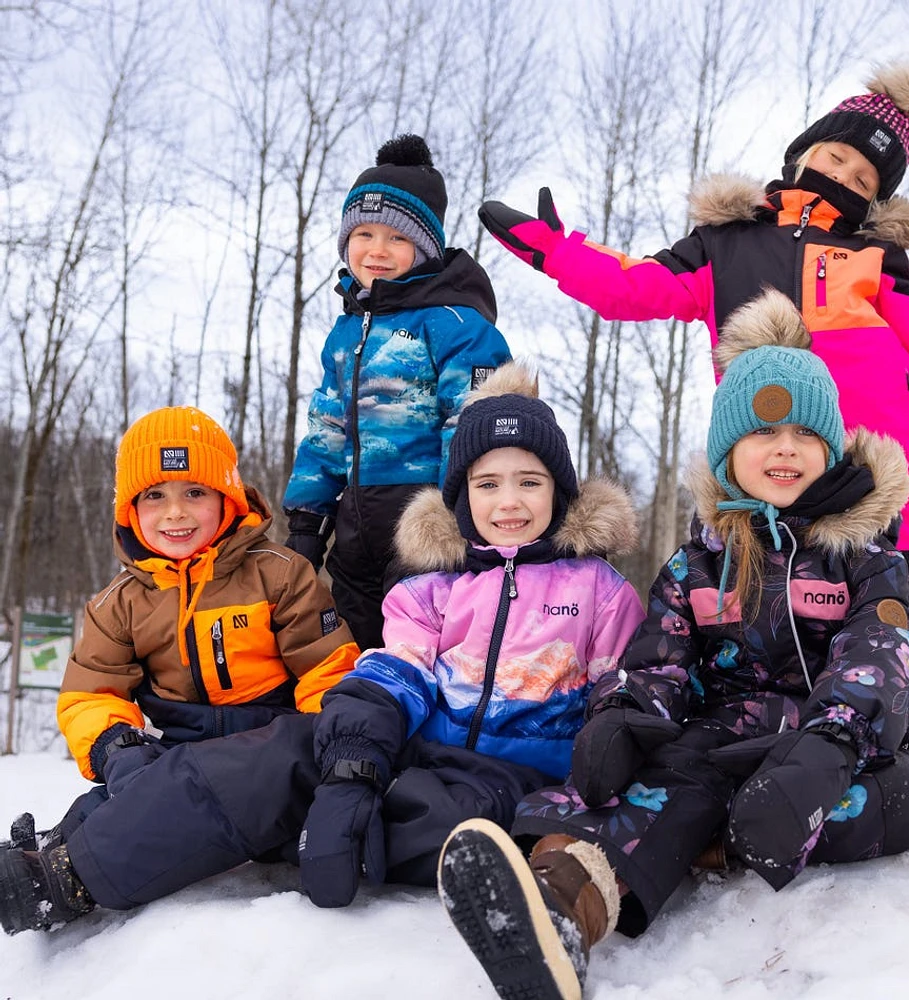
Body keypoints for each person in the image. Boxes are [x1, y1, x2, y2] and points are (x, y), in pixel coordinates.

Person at [0, 363, 645, 934]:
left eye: (529, 482)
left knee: (421, 820)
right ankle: (64, 875)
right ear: (459, 497)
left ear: (560, 492)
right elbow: (391, 677)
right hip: (420, 754)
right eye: (487, 484)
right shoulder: (430, 591)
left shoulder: (601, 593)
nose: (508, 502)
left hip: (513, 785)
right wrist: (351, 764)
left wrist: (588, 785)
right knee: (283, 758)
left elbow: (620, 704)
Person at [437, 291, 909, 1000]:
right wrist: (623, 712)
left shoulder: (862, 554)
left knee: (902, 800)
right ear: (730, 451)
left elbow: (881, 654)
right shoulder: (699, 560)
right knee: (634, 792)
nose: (785, 448)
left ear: (829, 446)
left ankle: (723, 833)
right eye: (765, 434)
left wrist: (831, 747)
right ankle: (559, 910)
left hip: (825, 746)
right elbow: (659, 657)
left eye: (804, 433)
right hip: (717, 741)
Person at [477, 61, 909, 732]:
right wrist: (557, 251)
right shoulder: (729, 245)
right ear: (805, 151)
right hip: (773, 455)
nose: (843, 175)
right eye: (836, 156)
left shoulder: (876, 258)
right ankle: (754, 718)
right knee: (769, 596)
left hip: (880, 463)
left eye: (864, 177)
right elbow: (638, 286)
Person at [0, 405, 359, 933]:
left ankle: (75, 877)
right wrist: (116, 749)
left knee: (254, 764)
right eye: (155, 496)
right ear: (130, 509)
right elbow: (90, 693)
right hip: (181, 743)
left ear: (227, 498)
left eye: (194, 492)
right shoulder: (117, 603)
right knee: (123, 796)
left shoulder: (280, 574)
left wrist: (333, 745)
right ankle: (51, 855)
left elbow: (327, 670)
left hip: (271, 738)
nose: (176, 513)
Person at [283, 132, 512, 651]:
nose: (377, 251)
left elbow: (473, 420)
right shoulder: (347, 331)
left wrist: (460, 511)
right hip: (354, 528)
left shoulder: (455, 323)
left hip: (426, 523)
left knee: (415, 649)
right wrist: (307, 517)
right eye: (363, 233)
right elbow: (327, 429)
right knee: (351, 649)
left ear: (424, 247)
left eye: (397, 238)